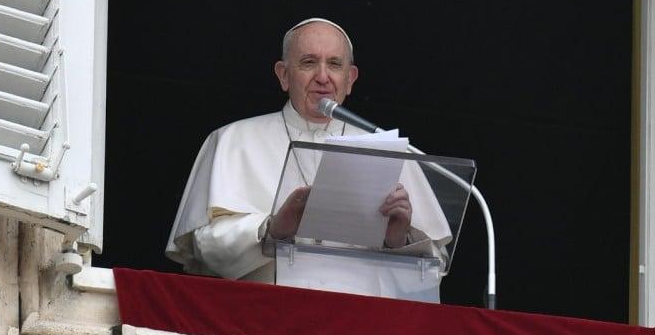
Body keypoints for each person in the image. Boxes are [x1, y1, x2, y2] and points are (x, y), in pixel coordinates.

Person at [166, 18, 450, 288]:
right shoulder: (233, 140)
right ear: (284, 75)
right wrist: (272, 229)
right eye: (309, 62)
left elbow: (435, 266)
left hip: (364, 327)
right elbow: (204, 249)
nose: (323, 77)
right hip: (265, 321)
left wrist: (398, 239)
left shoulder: (388, 150)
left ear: (350, 79)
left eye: (335, 64)